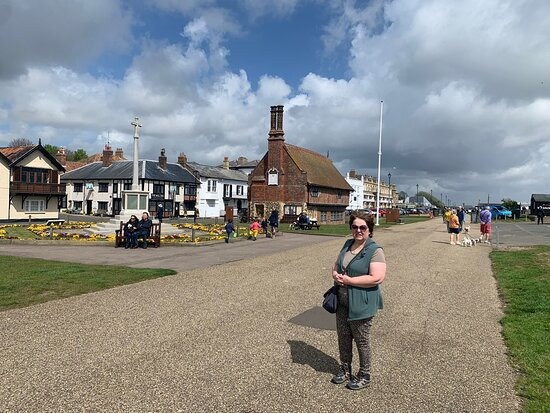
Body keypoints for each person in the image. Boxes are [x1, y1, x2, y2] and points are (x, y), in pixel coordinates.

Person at [331, 211, 386, 390]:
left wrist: (350, 281)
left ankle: (365, 374)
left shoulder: (374, 250)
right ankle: (345, 368)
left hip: (362, 301)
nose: (358, 230)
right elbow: (337, 265)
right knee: (344, 337)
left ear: (369, 229)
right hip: (342, 301)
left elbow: (377, 277)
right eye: (355, 227)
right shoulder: (348, 244)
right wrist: (335, 274)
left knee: (361, 339)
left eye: (363, 227)